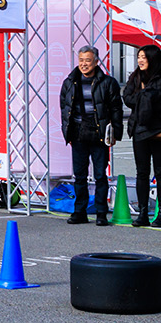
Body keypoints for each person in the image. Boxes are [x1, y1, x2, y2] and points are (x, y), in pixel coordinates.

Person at [59, 45, 123, 225]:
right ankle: (80, 211)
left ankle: (101, 213)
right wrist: (68, 132)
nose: (84, 64)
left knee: (100, 175)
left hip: (99, 132)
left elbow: (116, 109)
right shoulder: (70, 81)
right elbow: (64, 107)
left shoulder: (108, 82)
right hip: (78, 132)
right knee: (79, 175)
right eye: (81, 60)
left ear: (96, 61)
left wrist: (115, 133)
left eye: (88, 60)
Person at [121, 43, 161, 228]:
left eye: (144, 57)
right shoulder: (135, 77)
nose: (140, 60)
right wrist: (146, 96)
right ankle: (143, 212)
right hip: (139, 129)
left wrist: (149, 98)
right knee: (141, 173)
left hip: (159, 129)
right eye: (138, 57)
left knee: (160, 172)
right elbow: (127, 97)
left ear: (153, 59)